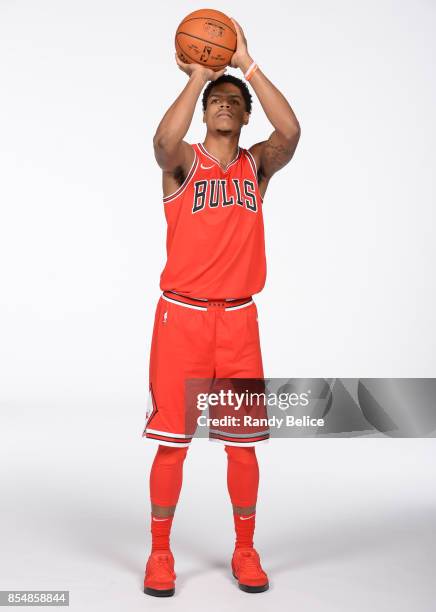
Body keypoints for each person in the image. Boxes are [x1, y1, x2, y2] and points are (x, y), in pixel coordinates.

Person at [143, 18, 300, 597]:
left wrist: (246, 65)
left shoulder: (257, 165)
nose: (228, 106)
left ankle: (245, 547)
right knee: (173, 441)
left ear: (246, 114)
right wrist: (203, 75)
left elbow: (293, 130)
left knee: (242, 443)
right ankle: (160, 554)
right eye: (219, 102)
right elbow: (160, 142)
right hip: (180, 316)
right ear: (206, 113)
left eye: (236, 102)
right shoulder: (181, 162)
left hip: (237, 319)